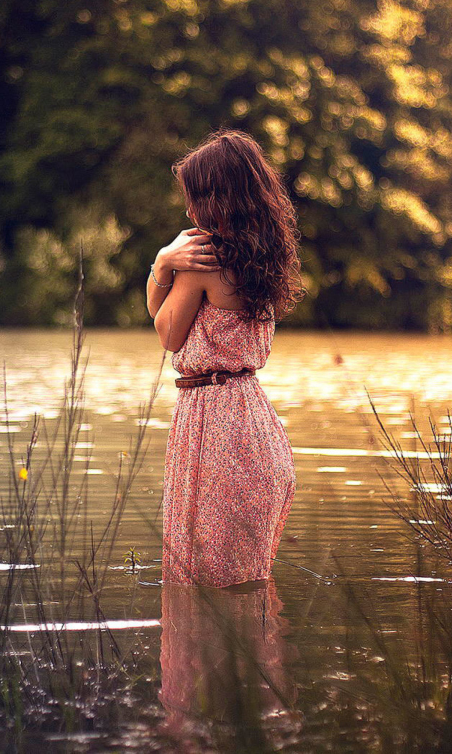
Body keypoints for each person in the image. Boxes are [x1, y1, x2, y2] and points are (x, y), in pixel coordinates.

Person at [146, 128, 305, 588]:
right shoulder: (263, 257)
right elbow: (165, 316)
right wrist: (167, 270)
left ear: (218, 197)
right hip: (255, 426)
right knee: (247, 591)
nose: (190, 208)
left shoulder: (204, 262)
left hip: (214, 430)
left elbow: (166, 333)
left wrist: (163, 262)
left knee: (199, 587)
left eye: (196, 196)